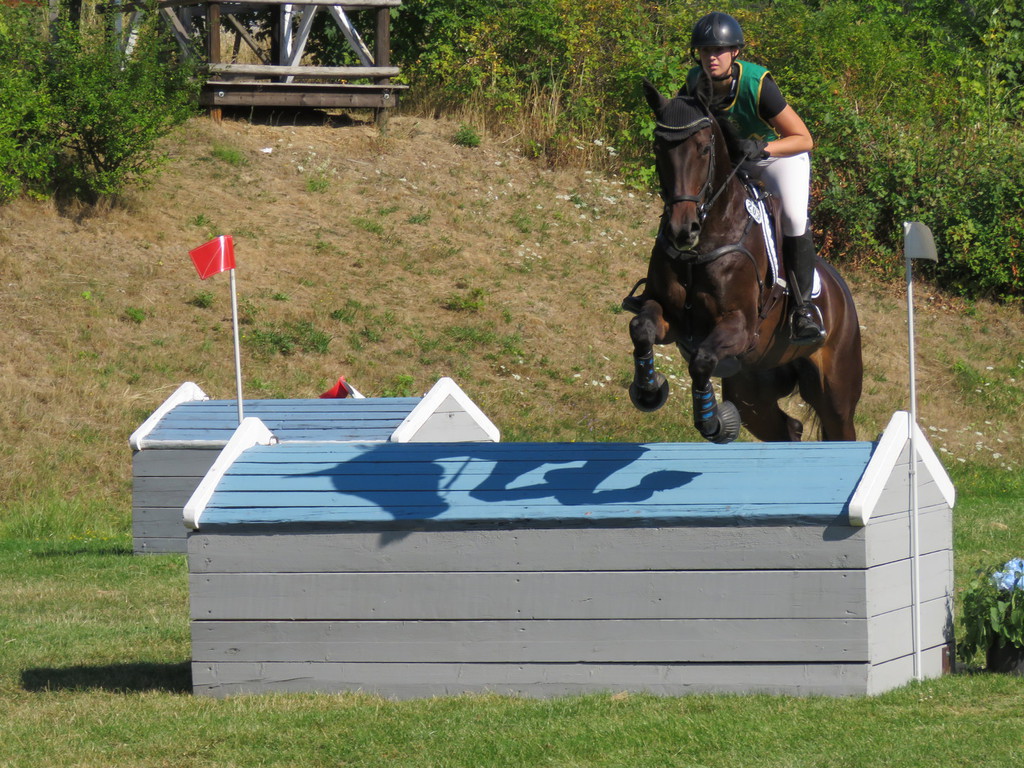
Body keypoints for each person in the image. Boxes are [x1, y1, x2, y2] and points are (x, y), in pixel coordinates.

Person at [684, 11, 825, 344]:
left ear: (734, 52)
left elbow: (804, 139)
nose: (711, 57)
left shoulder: (757, 84)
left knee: (792, 218)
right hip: (734, 163)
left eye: (719, 50)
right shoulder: (694, 82)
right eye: (705, 50)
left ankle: (802, 310)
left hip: (777, 158)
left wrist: (763, 147)